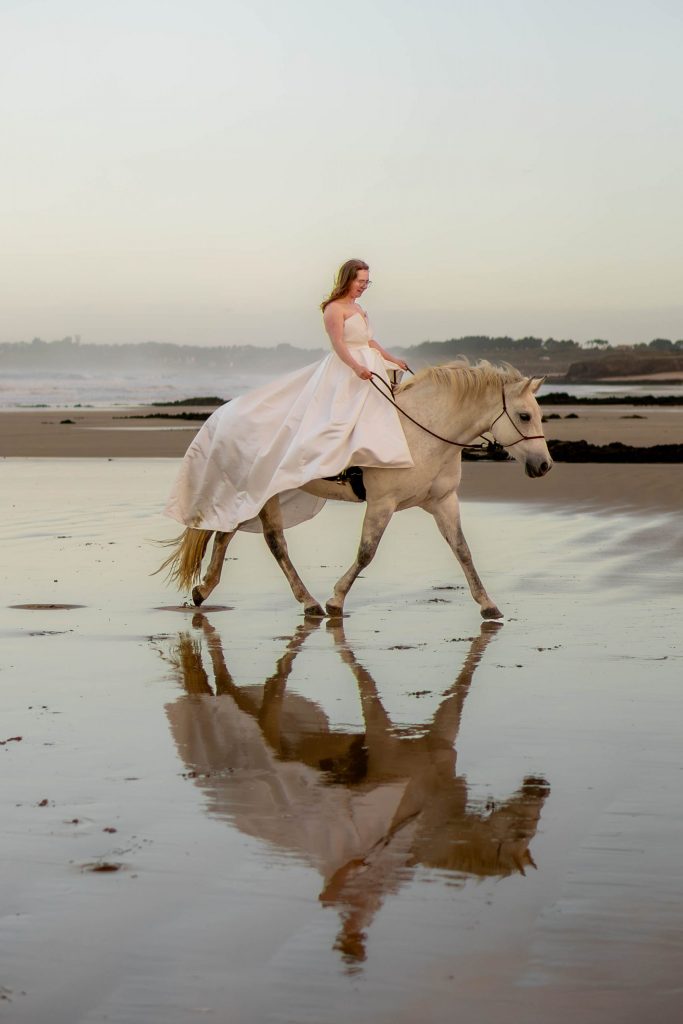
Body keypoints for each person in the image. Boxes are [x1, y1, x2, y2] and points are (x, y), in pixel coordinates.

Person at [164, 259, 414, 535]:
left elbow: (368, 341)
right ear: (347, 280)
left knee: (378, 417)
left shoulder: (358, 309)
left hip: (369, 364)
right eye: (360, 282)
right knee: (336, 421)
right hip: (347, 370)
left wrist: (392, 359)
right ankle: (333, 470)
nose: (364, 287)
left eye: (367, 282)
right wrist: (356, 368)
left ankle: (369, 468)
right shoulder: (334, 309)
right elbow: (339, 345)